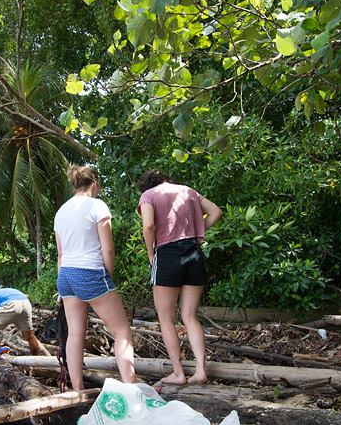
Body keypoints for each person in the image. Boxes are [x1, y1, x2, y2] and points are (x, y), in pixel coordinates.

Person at [54, 165, 137, 390]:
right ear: (94, 184)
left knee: (75, 333)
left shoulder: (61, 211)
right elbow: (107, 249)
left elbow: (61, 254)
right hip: (90, 272)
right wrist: (107, 277)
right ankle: (131, 387)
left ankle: (77, 390)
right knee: (121, 331)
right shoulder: (97, 205)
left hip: (66, 276)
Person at [137, 169, 222, 385]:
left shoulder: (149, 195)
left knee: (166, 318)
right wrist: (198, 232)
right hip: (193, 251)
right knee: (190, 316)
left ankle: (178, 373)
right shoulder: (188, 191)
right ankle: (201, 371)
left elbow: (148, 225)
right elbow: (215, 211)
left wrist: (150, 254)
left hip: (167, 254)